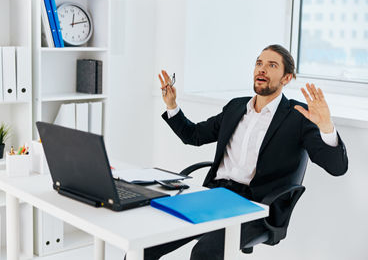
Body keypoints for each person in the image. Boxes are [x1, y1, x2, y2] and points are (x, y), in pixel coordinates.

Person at [145, 44, 348, 260]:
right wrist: (172, 106)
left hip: (256, 205)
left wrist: (326, 127)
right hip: (214, 194)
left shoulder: (298, 116)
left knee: (204, 252)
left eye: (271, 65)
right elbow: (193, 136)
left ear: (286, 78)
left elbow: (337, 167)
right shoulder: (236, 107)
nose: (262, 69)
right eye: (259, 63)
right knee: (148, 240)